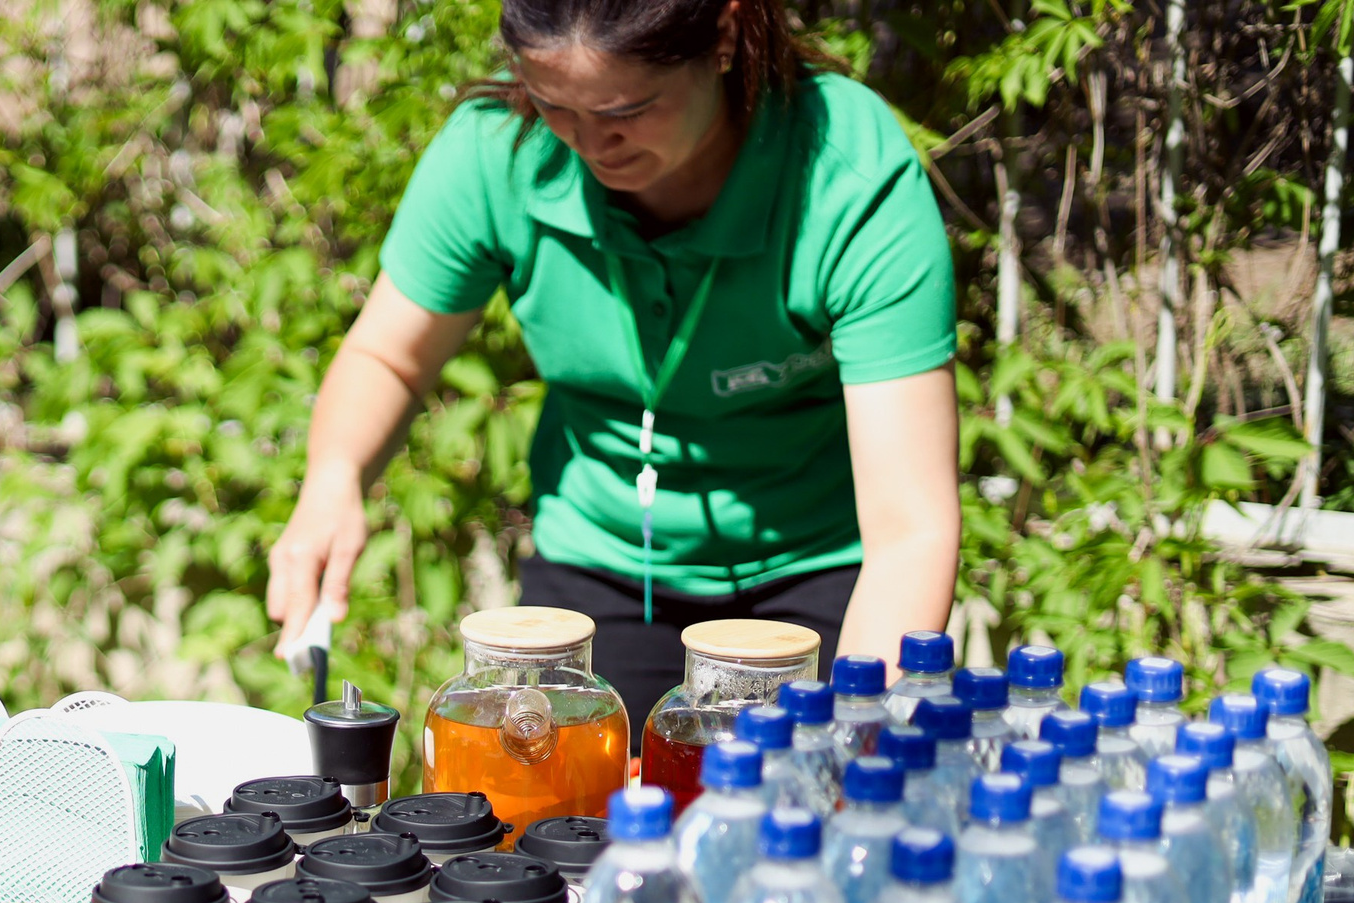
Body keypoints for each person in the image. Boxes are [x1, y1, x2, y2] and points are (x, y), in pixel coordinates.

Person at [265, 0, 958, 720]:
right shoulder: (498, 151)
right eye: (553, 102)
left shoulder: (845, 169)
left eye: (628, 107)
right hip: (603, 566)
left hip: (817, 572)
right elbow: (390, 356)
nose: (592, 143)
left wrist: (855, 737)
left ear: (722, 37)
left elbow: (911, 530)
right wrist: (335, 478)